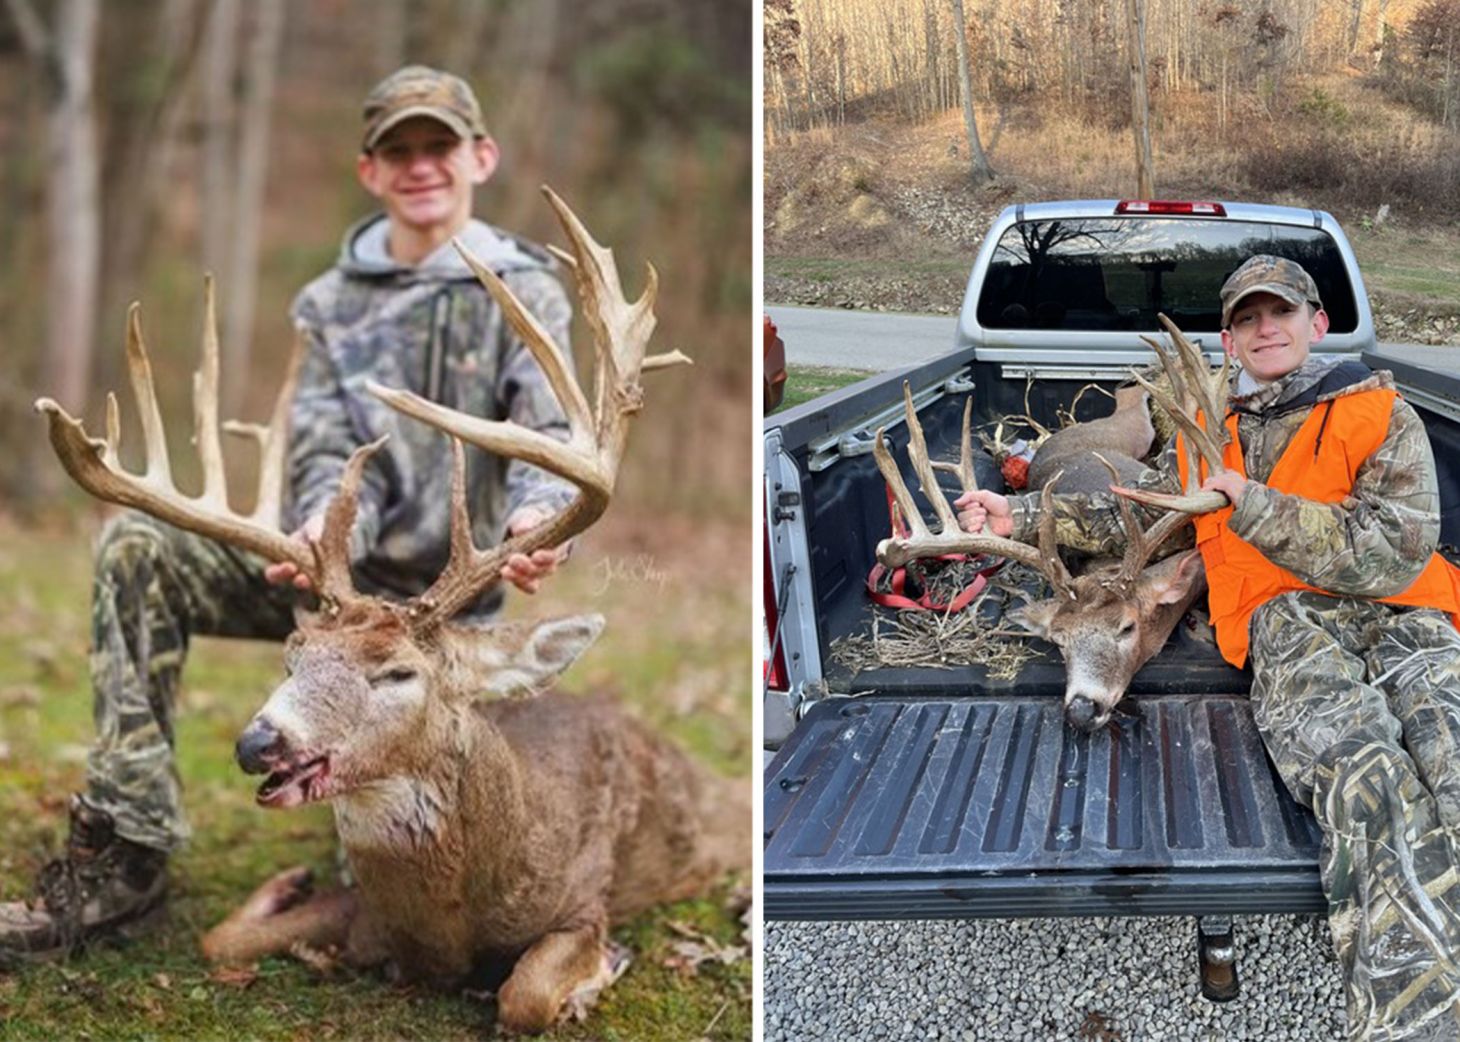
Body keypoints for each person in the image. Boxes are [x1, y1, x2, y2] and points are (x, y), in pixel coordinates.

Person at [0, 65, 578, 963]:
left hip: (442, 612)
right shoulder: (331, 305)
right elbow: (316, 443)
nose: (421, 166)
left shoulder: (524, 292)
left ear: (481, 157)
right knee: (137, 549)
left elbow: (549, 433)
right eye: (400, 152)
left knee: (440, 835)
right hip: (337, 587)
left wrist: (535, 526)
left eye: (440, 147)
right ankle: (129, 841)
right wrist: (316, 522)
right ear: (370, 172)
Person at [956, 255, 1460, 1041]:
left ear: (1315, 325)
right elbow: (1140, 510)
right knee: (1367, 783)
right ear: (1228, 340)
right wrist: (1015, 517)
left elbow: (1396, 547)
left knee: (1452, 753)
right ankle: (1423, 1018)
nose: (1267, 329)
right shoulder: (1206, 429)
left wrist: (1249, 503)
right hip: (1286, 627)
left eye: (1281, 314)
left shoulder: (1378, 412)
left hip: (1408, 614)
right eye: (1247, 319)